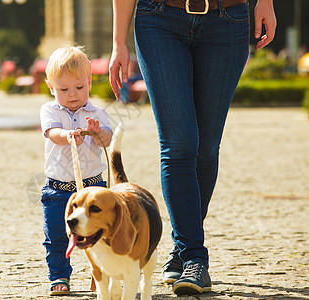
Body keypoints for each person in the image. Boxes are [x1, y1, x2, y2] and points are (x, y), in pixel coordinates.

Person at [109, 0, 276, 296]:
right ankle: (195, 258)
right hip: (158, 18)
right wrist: (118, 41)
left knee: (207, 148)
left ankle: (182, 248)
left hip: (228, 19)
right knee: (179, 144)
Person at [40, 46, 113, 296]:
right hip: (58, 189)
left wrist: (99, 133)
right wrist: (67, 135)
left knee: (101, 235)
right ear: (51, 87)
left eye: (79, 88)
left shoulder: (97, 112)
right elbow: (52, 133)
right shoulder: (50, 110)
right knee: (57, 237)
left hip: (93, 188)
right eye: (64, 90)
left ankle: (100, 274)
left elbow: (107, 140)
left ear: (89, 82)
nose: (72, 95)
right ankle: (59, 276)